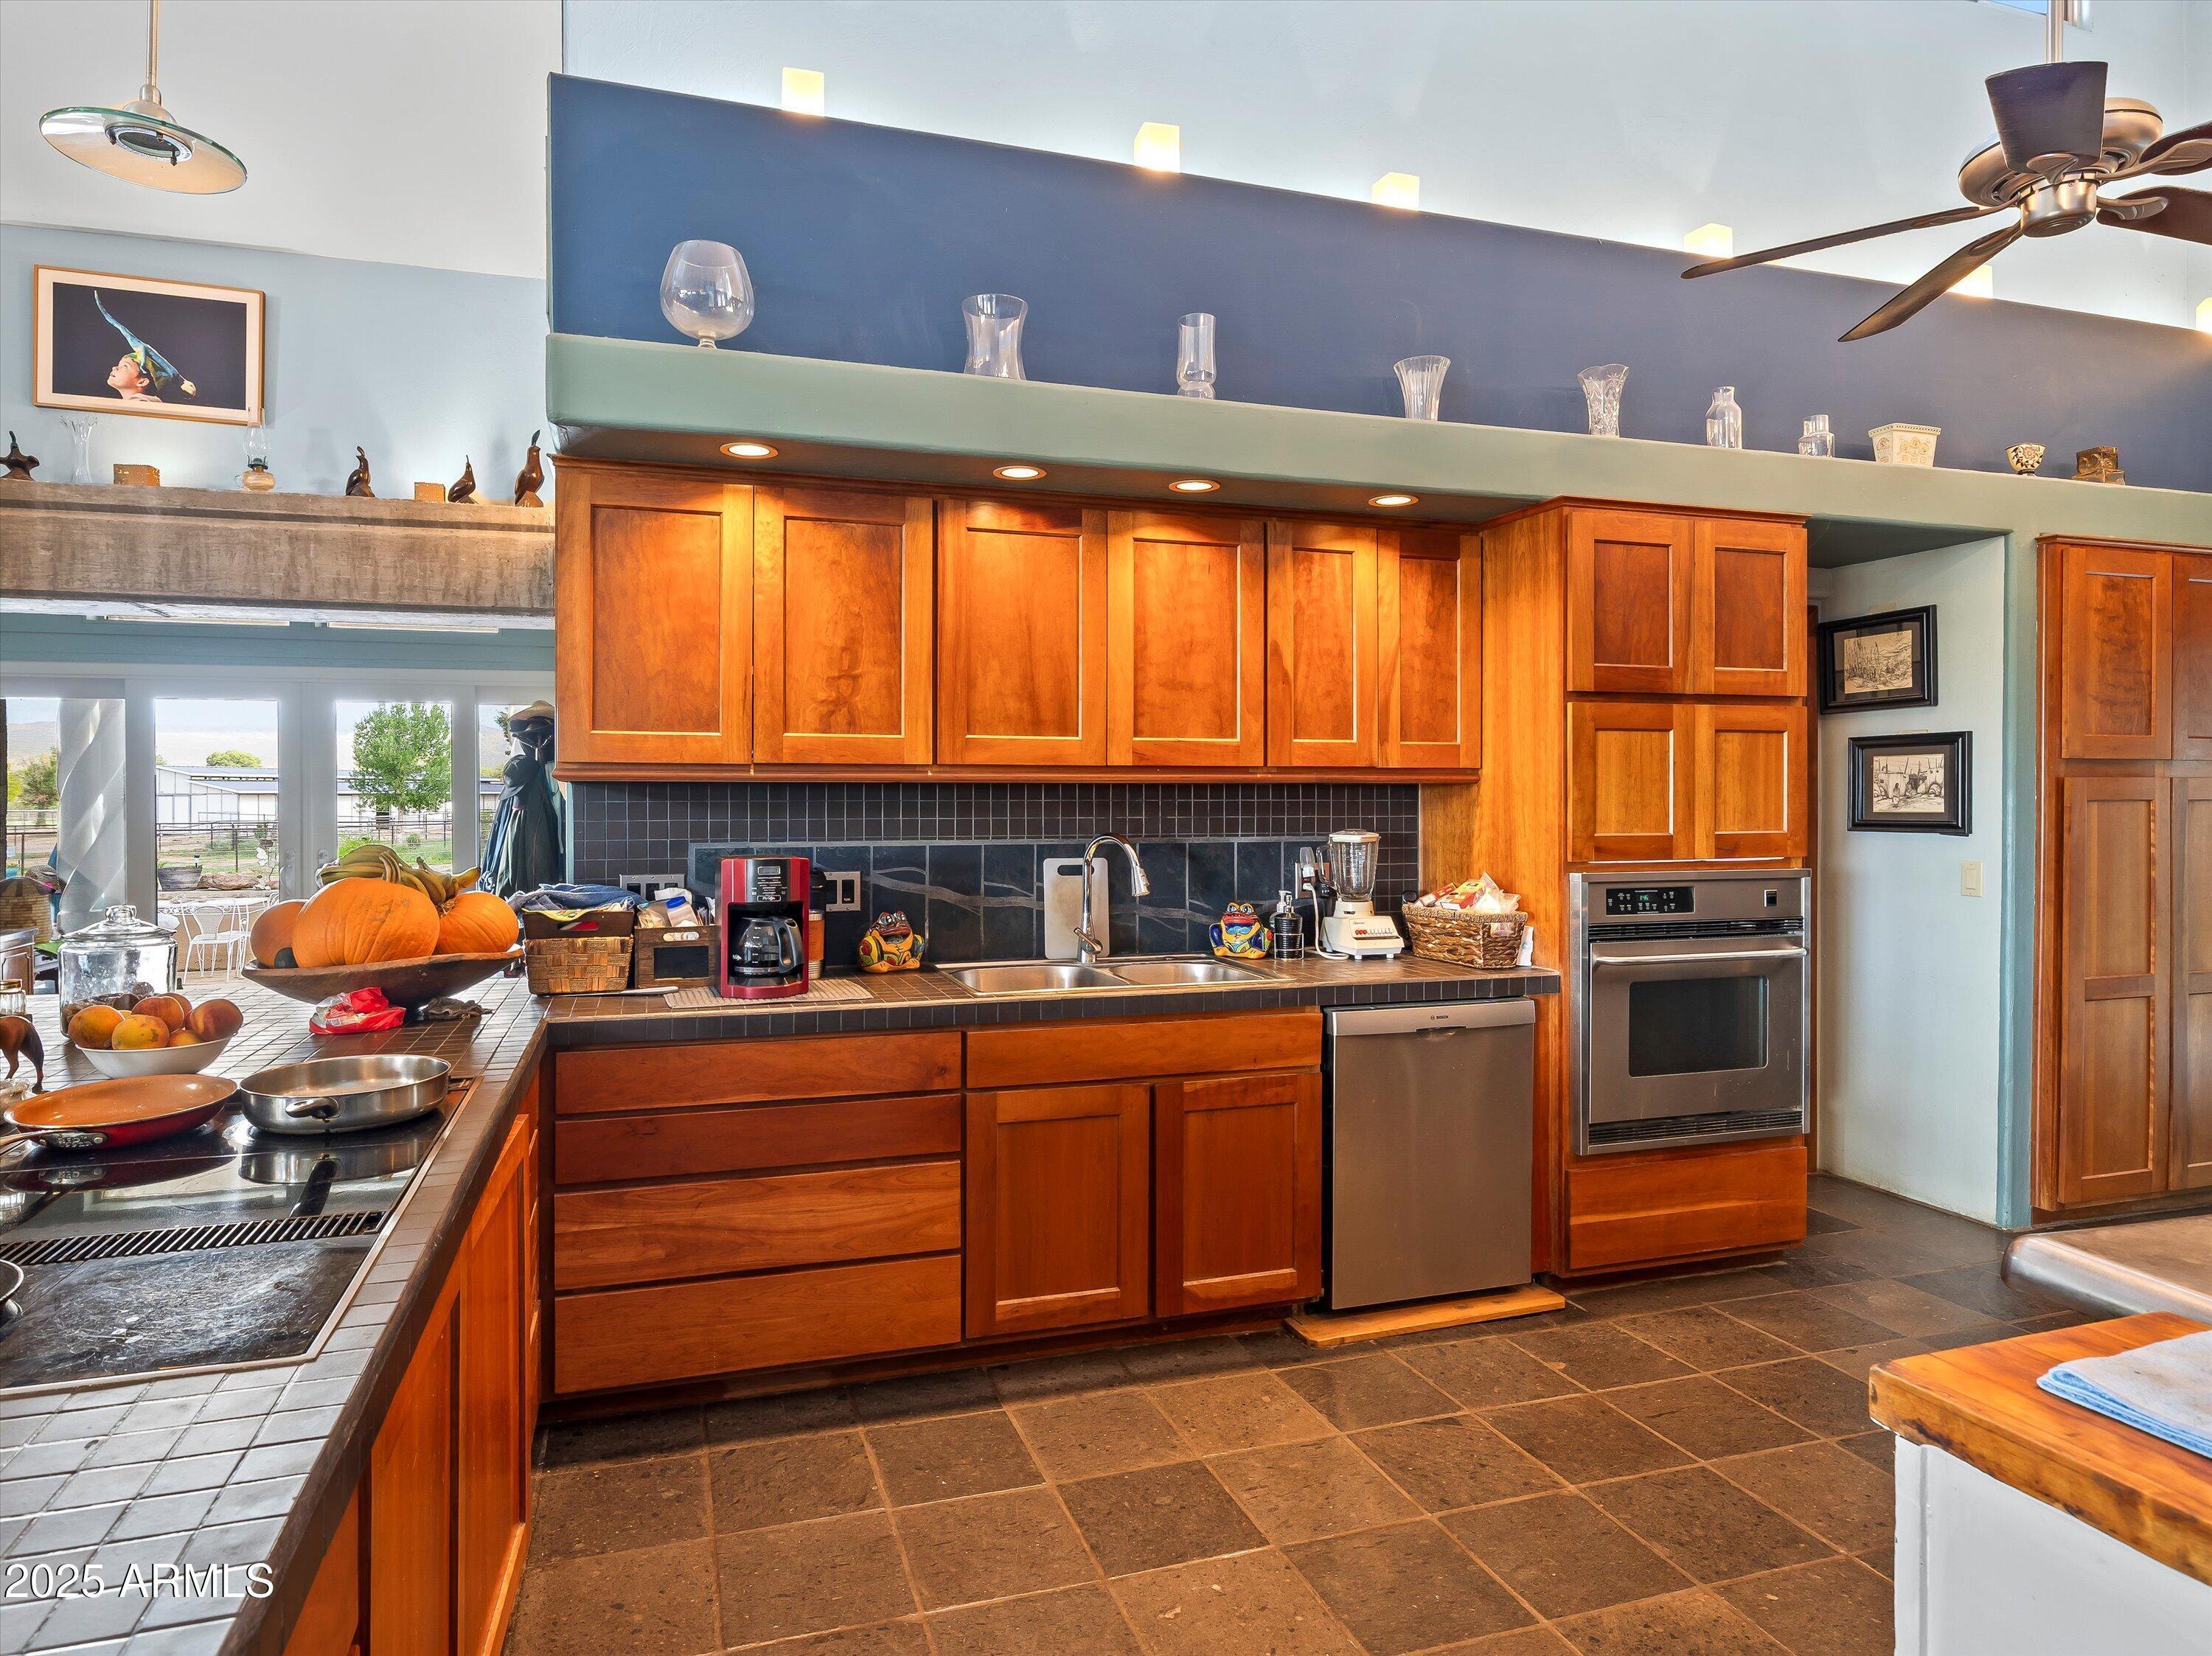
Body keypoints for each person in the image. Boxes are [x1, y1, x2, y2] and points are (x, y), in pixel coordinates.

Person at [94, 292, 196, 404]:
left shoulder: (140, 404)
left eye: (125, 367)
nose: (114, 368)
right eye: (120, 365)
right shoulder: (171, 377)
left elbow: (144, 350)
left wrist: (142, 365)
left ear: (142, 382)